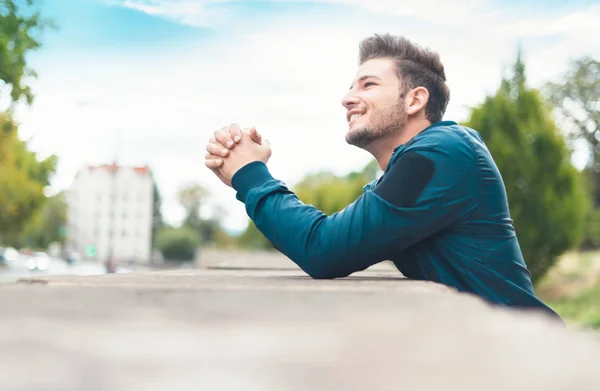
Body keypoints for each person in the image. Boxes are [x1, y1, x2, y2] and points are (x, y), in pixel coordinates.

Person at [204, 34, 562, 321]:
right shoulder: (424, 163)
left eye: (368, 85)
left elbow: (324, 249)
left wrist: (250, 175)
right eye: (351, 87)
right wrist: (248, 176)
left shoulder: (439, 155)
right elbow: (336, 238)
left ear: (414, 100)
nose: (347, 98)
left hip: (527, 362)